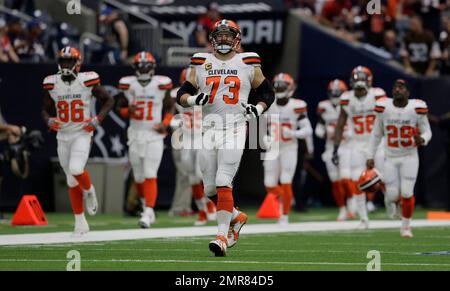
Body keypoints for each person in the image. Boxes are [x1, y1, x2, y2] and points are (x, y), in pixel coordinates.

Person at [177, 19, 274, 256]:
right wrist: (192, 101)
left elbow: (266, 92)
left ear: (236, 39)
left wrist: (258, 109)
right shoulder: (200, 61)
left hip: (235, 128)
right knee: (209, 186)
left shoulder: (248, 61)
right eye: (219, 35)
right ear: (212, 39)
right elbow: (183, 92)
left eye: (227, 35)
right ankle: (236, 217)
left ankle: (221, 236)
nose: (223, 39)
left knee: (223, 180)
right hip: (208, 130)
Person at [42, 46, 114, 235]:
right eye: (63, 61)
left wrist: (97, 119)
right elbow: (45, 109)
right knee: (71, 179)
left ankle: (90, 190)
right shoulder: (52, 83)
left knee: (76, 169)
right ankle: (80, 222)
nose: (66, 65)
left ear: (77, 63)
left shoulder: (87, 80)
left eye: (69, 61)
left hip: (82, 132)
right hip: (63, 135)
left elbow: (109, 100)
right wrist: (48, 120)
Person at [116, 51, 174, 228]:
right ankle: (145, 206)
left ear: (153, 68)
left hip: (154, 134)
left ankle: (148, 211)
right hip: (135, 134)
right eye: (141, 66)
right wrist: (127, 111)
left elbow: (171, 106)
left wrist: (165, 123)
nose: (144, 69)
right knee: (139, 176)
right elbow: (120, 106)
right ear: (135, 68)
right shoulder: (128, 85)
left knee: (150, 173)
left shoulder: (161, 84)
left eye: (147, 66)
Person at [366, 79, 432, 237]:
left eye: (401, 87)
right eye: (395, 87)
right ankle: (390, 204)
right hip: (390, 156)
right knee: (392, 195)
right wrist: (370, 155)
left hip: (409, 156)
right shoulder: (384, 107)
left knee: (407, 193)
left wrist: (422, 139)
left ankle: (406, 226)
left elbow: (427, 131)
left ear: (408, 92)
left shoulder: (416, 108)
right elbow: (376, 134)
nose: (397, 90)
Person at [332, 66, 386, 229]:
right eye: (356, 78)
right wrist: (336, 147)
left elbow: (387, 118)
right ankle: (363, 219)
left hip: (377, 142)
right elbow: (340, 124)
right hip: (357, 143)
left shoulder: (378, 95)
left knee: (386, 178)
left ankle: (392, 206)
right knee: (357, 180)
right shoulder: (347, 98)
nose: (358, 81)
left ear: (369, 80)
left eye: (361, 78)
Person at [262, 73, 313, 225]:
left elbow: (308, 130)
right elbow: (263, 125)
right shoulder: (269, 104)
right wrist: (263, 137)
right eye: (277, 86)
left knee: (285, 180)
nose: (279, 88)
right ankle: (286, 199)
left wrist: (293, 133)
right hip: (272, 148)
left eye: (282, 86)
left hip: (289, 147)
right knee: (269, 184)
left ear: (289, 88)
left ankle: (284, 215)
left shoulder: (297, 105)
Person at [170, 68, 216, 225]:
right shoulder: (176, 95)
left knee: (201, 175)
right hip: (187, 140)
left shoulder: (208, 94)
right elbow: (171, 112)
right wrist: (174, 121)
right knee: (192, 179)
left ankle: (210, 205)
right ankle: (202, 210)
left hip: (203, 138)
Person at [316, 79, 355, 221]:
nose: (335, 94)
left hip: (346, 146)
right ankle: (342, 209)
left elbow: (354, 127)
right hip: (330, 147)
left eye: (338, 92)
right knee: (335, 181)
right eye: (333, 92)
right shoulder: (323, 106)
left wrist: (344, 133)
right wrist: (327, 133)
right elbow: (319, 129)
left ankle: (352, 202)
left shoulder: (349, 105)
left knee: (345, 178)